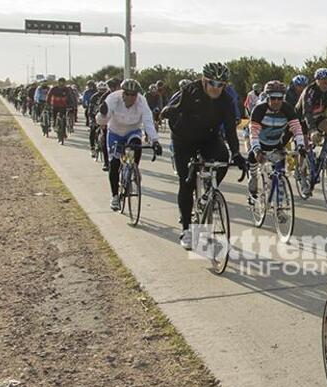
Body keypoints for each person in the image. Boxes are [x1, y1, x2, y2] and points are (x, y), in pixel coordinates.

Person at [160, 62, 247, 249]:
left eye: (221, 84)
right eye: (212, 83)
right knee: (187, 182)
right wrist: (168, 111)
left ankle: (209, 192)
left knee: (223, 158)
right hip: (184, 137)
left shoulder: (226, 100)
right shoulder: (191, 90)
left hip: (208, 136)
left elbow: (231, 131)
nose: (216, 88)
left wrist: (237, 153)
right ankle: (186, 229)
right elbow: (178, 107)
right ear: (203, 80)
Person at [96, 79, 162, 211]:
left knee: (136, 145)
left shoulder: (141, 101)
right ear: (123, 94)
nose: (131, 97)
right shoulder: (113, 99)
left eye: (134, 95)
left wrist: (155, 140)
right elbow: (102, 120)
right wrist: (102, 113)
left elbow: (148, 120)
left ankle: (133, 169)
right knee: (114, 164)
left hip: (132, 130)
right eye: (128, 94)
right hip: (115, 131)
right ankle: (115, 196)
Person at [246, 80, 306, 204]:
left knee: (280, 176)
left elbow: (296, 128)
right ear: (267, 97)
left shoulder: (287, 108)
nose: (276, 102)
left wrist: (300, 145)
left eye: (280, 98)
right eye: (273, 98)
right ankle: (253, 177)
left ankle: (279, 207)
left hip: (276, 144)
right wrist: (257, 149)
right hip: (260, 143)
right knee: (252, 155)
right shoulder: (259, 109)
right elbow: (254, 133)